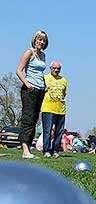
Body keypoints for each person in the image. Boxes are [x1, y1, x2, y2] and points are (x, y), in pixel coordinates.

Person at [16, 30, 48, 159]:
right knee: (28, 118)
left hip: (40, 90)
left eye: (44, 40)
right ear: (35, 40)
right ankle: (25, 150)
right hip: (29, 90)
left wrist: (44, 86)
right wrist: (28, 84)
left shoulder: (43, 55)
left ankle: (28, 148)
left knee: (35, 120)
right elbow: (19, 71)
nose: (41, 42)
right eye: (39, 39)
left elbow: (40, 73)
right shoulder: (29, 52)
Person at [41, 61, 67, 158]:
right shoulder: (45, 78)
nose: (56, 70)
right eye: (54, 68)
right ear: (50, 68)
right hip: (48, 108)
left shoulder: (64, 80)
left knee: (59, 132)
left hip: (61, 109)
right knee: (47, 131)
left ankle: (55, 150)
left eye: (58, 68)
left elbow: (64, 93)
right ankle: (46, 150)